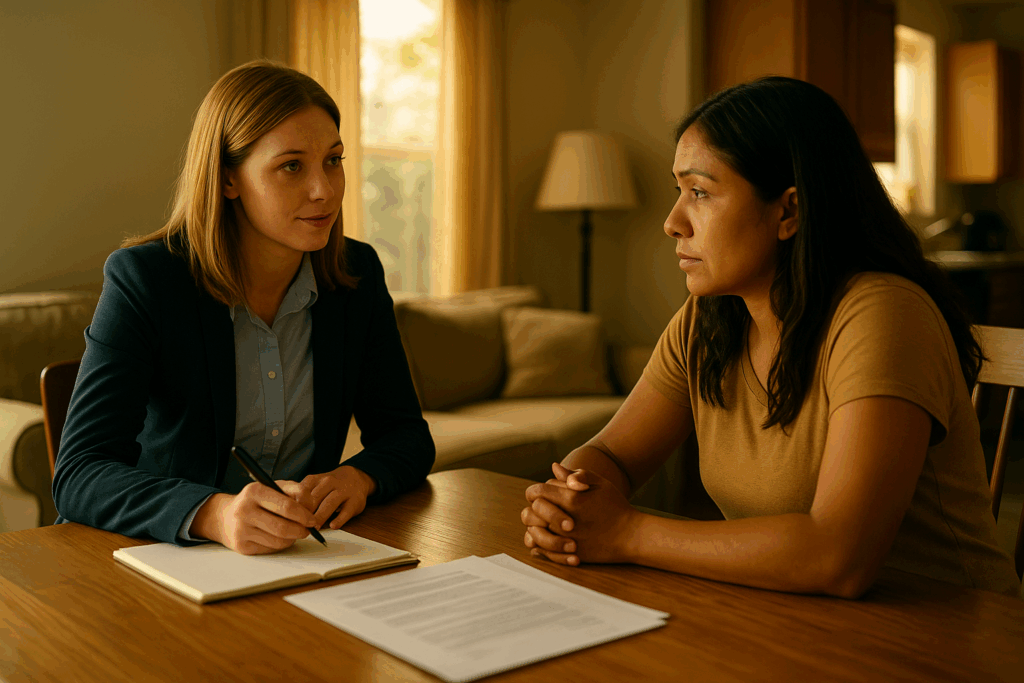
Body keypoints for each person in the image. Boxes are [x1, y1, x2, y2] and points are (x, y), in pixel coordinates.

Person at [520, 76, 1020, 598]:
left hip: (949, 630)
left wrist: (626, 532)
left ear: (789, 211)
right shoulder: (707, 318)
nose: (672, 222)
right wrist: (566, 502)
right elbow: (613, 455)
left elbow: (840, 556)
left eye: (700, 192)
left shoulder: (884, 313)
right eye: (678, 191)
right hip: (787, 614)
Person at [53, 60, 435, 555]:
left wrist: (359, 476)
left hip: (293, 558)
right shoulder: (146, 280)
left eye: (333, 160)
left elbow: (406, 436)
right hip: (153, 557)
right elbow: (80, 473)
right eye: (291, 166)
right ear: (228, 179)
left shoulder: (355, 274)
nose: (324, 190)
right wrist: (214, 513)